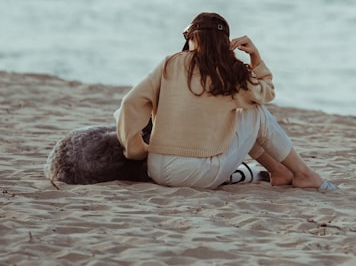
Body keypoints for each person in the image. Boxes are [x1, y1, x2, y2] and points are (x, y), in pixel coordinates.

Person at [116, 11, 337, 192]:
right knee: (254, 113)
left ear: (192, 38)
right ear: (226, 43)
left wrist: (136, 149)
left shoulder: (169, 63)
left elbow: (130, 104)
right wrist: (256, 58)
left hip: (156, 167)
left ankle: (279, 172)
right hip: (196, 175)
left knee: (243, 118)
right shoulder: (229, 71)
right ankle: (304, 174)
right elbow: (266, 93)